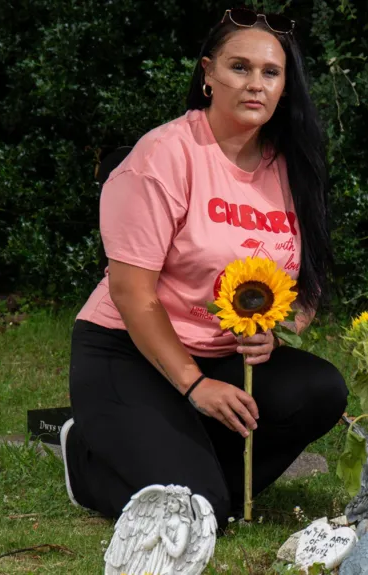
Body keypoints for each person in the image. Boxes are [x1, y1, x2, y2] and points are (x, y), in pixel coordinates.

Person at [60, 7, 348, 528]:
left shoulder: (293, 164)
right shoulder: (163, 156)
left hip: (223, 358)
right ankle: (86, 460)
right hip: (130, 352)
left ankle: (195, 474)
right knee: (198, 512)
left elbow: (307, 276)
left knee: (320, 389)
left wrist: (278, 332)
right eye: (239, 67)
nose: (255, 84)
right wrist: (194, 386)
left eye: (271, 72)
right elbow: (132, 294)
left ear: (286, 86)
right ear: (208, 73)